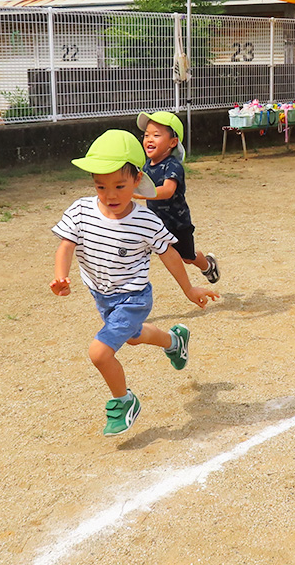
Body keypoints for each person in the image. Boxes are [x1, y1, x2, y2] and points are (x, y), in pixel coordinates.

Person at [50, 130, 218, 436]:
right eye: (101, 186)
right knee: (133, 337)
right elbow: (65, 244)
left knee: (100, 352)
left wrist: (190, 289)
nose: (110, 195)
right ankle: (174, 341)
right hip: (102, 296)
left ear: (137, 179)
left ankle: (123, 401)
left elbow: (168, 254)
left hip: (133, 298)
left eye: (119, 186)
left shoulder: (145, 221)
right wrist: (61, 275)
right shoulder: (80, 211)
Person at [135, 111, 220, 285]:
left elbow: (167, 190)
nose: (149, 139)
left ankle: (207, 264)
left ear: (173, 142)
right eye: (146, 135)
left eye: (156, 135)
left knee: (188, 258)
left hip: (178, 223)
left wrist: (138, 194)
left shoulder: (173, 166)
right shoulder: (146, 165)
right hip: (157, 222)